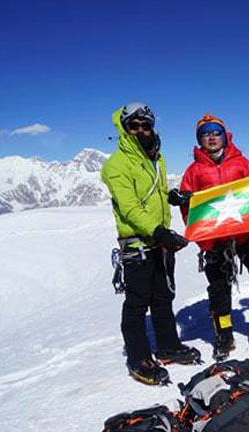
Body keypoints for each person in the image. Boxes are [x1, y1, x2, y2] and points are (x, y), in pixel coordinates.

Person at [101, 102, 201, 386]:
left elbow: (153, 192)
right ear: (125, 129)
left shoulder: (155, 157)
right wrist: (158, 232)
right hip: (138, 246)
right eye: (134, 126)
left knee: (162, 297)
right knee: (137, 303)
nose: (141, 130)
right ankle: (138, 358)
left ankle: (168, 346)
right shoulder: (116, 165)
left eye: (146, 125)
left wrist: (171, 196)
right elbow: (130, 207)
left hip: (158, 241)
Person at [175, 114, 249, 360]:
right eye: (205, 134)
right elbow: (190, 212)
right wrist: (206, 243)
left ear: (224, 136)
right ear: (199, 140)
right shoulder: (193, 171)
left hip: (246, 235)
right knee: (219, 291)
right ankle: (224, 334)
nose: (211, 137)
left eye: (216, 132)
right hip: (215, 241)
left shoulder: (241, 163)